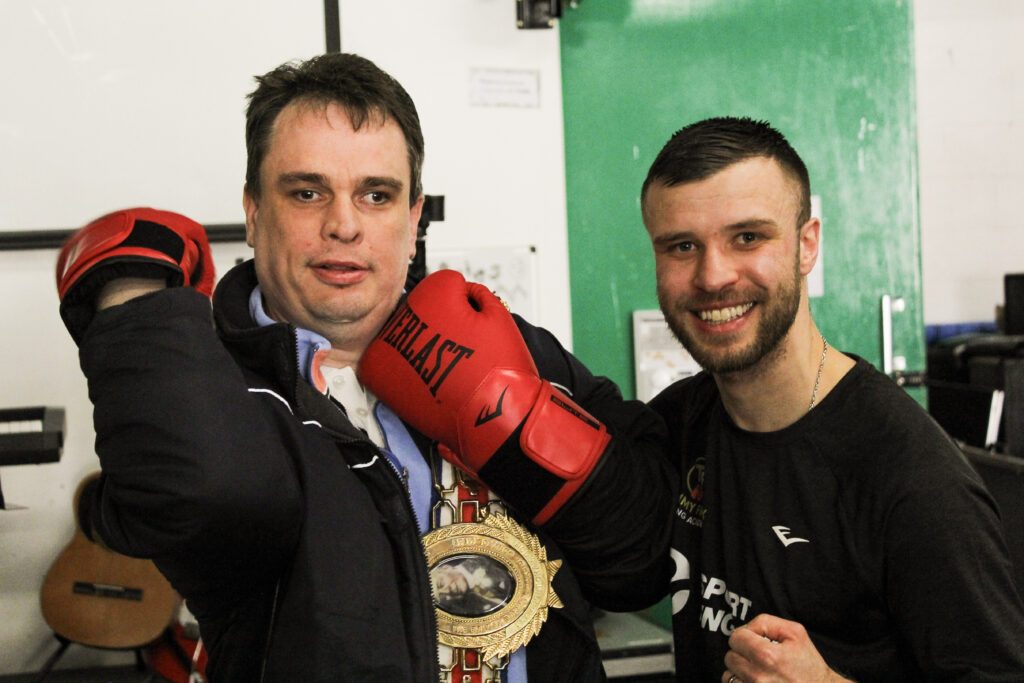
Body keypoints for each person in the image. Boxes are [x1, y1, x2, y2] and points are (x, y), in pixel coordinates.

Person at [55, 52, 673, 681]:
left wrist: (533, 433)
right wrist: (132, 299)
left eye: (376, 195)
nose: (344, 225)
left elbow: (640, 565)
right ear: (254, 211)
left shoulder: (516, 349)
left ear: (413, 217)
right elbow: (193, 503)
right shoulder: (212, 387)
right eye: (307, 193)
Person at [361, 116, 1024, 681]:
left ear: (807, 245)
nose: (712, 275)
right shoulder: (684, 420)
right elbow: (627, 573)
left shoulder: (911, 478)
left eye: (748, 237)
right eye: (682, 246)